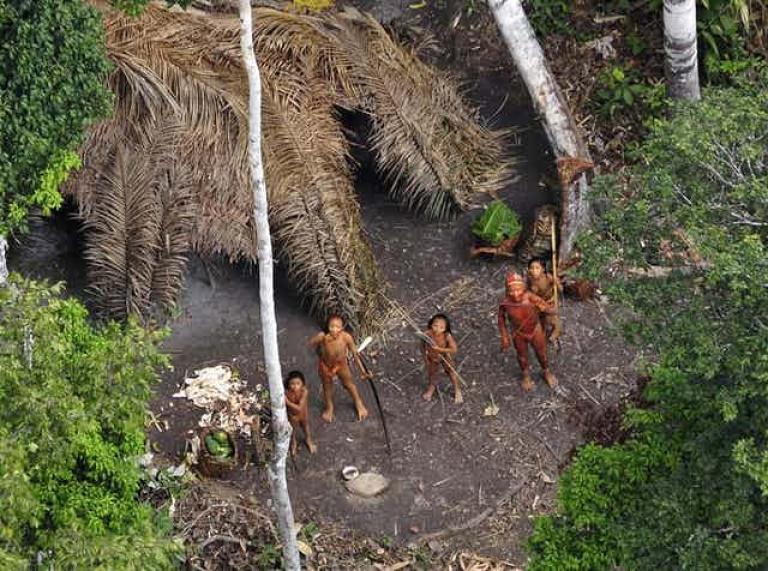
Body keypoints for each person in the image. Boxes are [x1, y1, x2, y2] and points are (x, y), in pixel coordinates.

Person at [498, 272, 558, 392]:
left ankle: (546, 371)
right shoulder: (505, 303)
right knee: (522, 356)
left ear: (524, 289)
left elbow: (550, 310)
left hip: (535, 330)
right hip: (518, 333)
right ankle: (526, 375)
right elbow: (501, 319)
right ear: (507, 291)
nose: (515, 295)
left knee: (542, 353)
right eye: (511, 291)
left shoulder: (531, 297)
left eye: (518, 290)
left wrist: (546, 309)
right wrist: (504, 335)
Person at [309, 315, 370, 422]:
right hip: (325, 365)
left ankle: (358, 402)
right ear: (327, 326)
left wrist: (363, 371)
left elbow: (355, 354)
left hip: (341, 364)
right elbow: (311, 343)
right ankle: (329, 407)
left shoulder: (346, 337)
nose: (334, 329)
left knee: (349, 384)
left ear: (342, 328)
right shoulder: (324, 336)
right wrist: (318, 338)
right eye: (331, 326)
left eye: (337, 327)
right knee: (327, 387)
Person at [421, 313, 463, 404]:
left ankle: (457, 390)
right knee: (432, 374)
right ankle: (431, 389)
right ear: (431, 324)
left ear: (445, 329)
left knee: (451, 372)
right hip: (432, 357)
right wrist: (425, 358)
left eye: (441, 327)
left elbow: (454, 349)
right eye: (435, 325)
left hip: (444, 356)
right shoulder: (427, 334)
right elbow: (422, 345)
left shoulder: (447, 336)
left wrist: (439, 349)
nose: (437, 329)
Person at [526, 258, 562, 343]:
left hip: (550, 301)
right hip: (538, 302)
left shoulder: (547, 277)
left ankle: (556, 331)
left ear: (543, 269)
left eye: (537, 268)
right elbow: (528, 291)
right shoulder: (530, 278)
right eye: (532, 268)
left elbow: (561, 289)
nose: (534, 270)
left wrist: (557, 283)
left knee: (551, 318)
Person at [284, 371, 317, 456]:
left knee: (305, 427)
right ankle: (293, 443)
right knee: (292, 430)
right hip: (292, 416)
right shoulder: (287, 393)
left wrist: (287, 402)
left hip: (303, 415)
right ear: (288, 384)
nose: (295, 387)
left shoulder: (304, 392)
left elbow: (299, 408)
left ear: (302, 384)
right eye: (292, 384)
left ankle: (308, 440)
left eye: (298, 383)